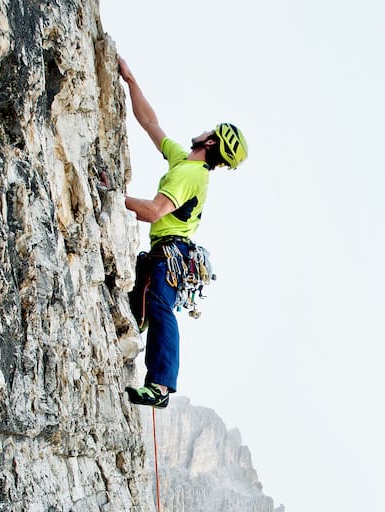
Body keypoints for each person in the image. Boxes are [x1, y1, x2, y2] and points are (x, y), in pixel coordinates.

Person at [117, 55, 248, 408]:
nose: (203, 129)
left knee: (161, 307)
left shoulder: (190, 175)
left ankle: (160, 386)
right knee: (148, 305)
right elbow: (151, 125)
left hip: (169, 254)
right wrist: (131, 81)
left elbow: (153, 211)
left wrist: (114, 196)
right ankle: (132, 328)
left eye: (210, 131)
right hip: (165, 252)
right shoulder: (183, 162)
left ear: (210, 142)